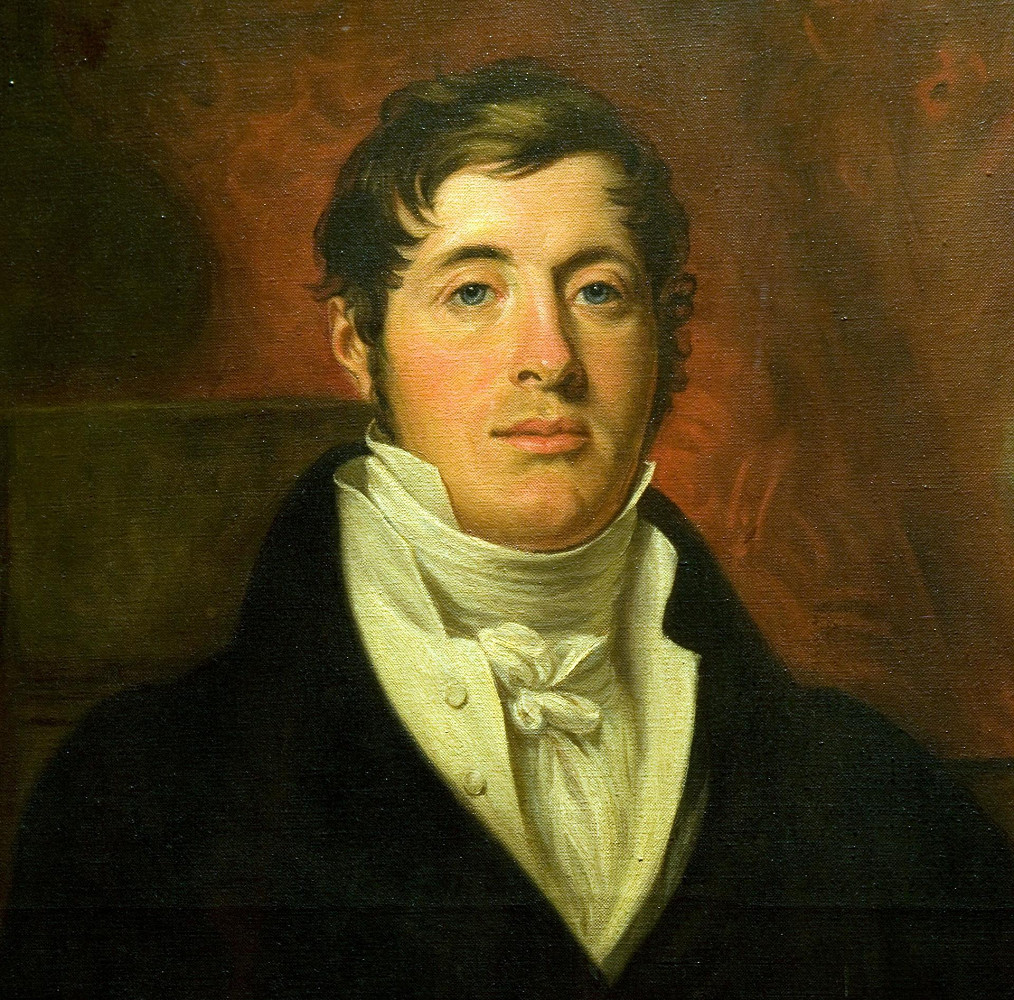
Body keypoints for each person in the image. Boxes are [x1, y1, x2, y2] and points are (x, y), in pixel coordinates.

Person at [1, 58, 1012, 999]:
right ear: (357, 342)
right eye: (474, 291)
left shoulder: (870, 791)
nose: (550, 357)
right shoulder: (144, 786)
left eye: (599, 291)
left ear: (662, 338)